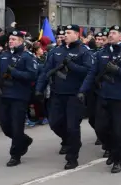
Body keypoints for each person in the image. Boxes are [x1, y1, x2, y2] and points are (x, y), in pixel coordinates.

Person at [78, 25, 121, 174]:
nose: (110, 35)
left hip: (119, 98)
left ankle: (118, 159)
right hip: (103, 96)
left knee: (118, 131)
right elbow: (92, 74)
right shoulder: (101, 53)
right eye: (109, 33)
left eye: (114, 33)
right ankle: (112, 149)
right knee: (100, 128)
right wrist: (82, 90)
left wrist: (118, 70)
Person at [36, 24, 92, 170]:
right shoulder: (56, 51)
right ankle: (69, 141)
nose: (65, 35)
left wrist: (72, 66)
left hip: (74, 95)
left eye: (68, 32)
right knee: (54, 123)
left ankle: (72, 158)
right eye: (63, 33)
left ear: (76, 34)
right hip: (57, 94)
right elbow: (46, 71)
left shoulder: (84, 51)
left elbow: (88, 72)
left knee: (72, 127)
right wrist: (39, 89)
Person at [0, 30, 37, 167]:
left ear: (21, 41)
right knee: (5, 125)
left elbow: (32, 75)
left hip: (19, 96)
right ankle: (24, 140)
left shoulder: (27, 56)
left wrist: (15, 73)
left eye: (14, 39)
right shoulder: (4, 56)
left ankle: (15, 155)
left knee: (17, 126)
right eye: (10, 39)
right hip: (5, 94)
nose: (11, 41)